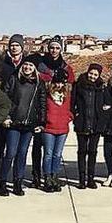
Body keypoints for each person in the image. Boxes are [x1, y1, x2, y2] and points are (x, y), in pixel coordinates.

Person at [0, 54, 47, 197]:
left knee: (22, 153)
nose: (27, 67)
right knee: (10, 153)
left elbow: (42, 103)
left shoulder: (39, 83)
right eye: (25, 65)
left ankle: (17, 182)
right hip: (14, 123)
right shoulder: (14, 79)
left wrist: (41, 122)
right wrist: (6, 116)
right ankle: (2, 182)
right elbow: (4, 99)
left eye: (31, 66)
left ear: (35, 69)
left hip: (29, 124)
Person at [31, 36, 74, 189]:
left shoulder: (66, 68)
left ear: (61, 49)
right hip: (43, 120)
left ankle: (53, 176)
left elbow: (70, 96)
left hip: (61, 124)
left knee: (55, 154)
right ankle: (39, 176)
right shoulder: (41, 66)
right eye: (52, 47)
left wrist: (69, 116)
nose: (54, 50)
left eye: (57, 48)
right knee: (40, 151)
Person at [0, 35, 23, 188]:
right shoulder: (2, 64)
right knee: (0, 147)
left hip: (20, 113)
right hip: (3, 110)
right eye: (12, 45)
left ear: (22, 47)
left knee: (16, 150)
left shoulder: (27, 63)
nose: (14, 47)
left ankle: (17, 179)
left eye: (17, 45)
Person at [72, 63, 105, 189]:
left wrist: (102, 117)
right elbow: (73, 103)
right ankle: (81, 179)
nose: (93, 76)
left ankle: (91, 178)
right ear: (87, 72)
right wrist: (76, 115)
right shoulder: (79, 85)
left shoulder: (101, 87)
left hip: (96, 125)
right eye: (91, 73)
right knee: (82, 151)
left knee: (93, 152)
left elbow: (105, 104)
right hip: (82, 123)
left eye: (95, 74)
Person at [43, 69, 73, 193]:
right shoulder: (47, 95)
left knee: (58, 154)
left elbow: (71, 109)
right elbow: (42, 109)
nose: (59, 85)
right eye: (57, 82)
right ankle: (47, 178)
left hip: (62, 128)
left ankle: (55, 176)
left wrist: (69, 117)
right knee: (48, 154)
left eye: (62, 83)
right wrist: (46, 119)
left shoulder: (67, 95)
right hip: (49, 128)